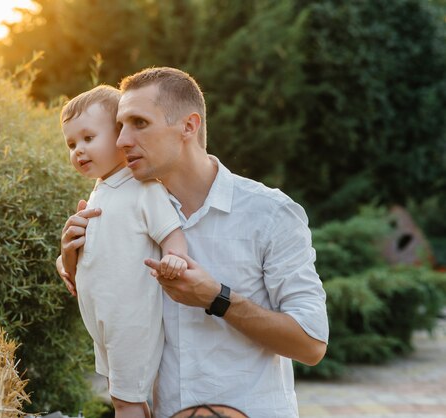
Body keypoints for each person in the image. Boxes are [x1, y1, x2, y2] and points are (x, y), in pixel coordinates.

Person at [58, 68, 329, 418]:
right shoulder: (125, 209)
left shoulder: (271, 213)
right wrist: (70, 257)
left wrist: (218, 299)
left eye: (139, 123)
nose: (122, 140)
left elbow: (311, 344)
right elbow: (95, 286)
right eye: (120, 125)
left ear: (189, 126)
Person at [59, 85, 189, 418]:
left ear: (119, 136)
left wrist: (174, 256)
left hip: (130, 320)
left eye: (89, 138)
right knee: (125, 398)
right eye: (72, 144)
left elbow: (171, 233)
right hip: (103, 318)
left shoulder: (142, 189)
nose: (79, 151)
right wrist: (66, 259)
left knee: (125, 401)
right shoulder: (101, 190)